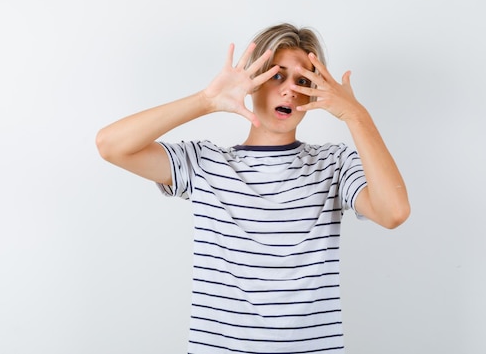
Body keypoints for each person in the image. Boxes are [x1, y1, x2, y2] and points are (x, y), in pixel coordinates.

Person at [96, 23, 410, 353]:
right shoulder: (204, 163)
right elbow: (111, 146)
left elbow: (393, 212)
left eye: (303, 81)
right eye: (277, 75)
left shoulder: (334, 164)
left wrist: (355, 115)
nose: (290, 89)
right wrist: (206, 100)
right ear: (252, 81)